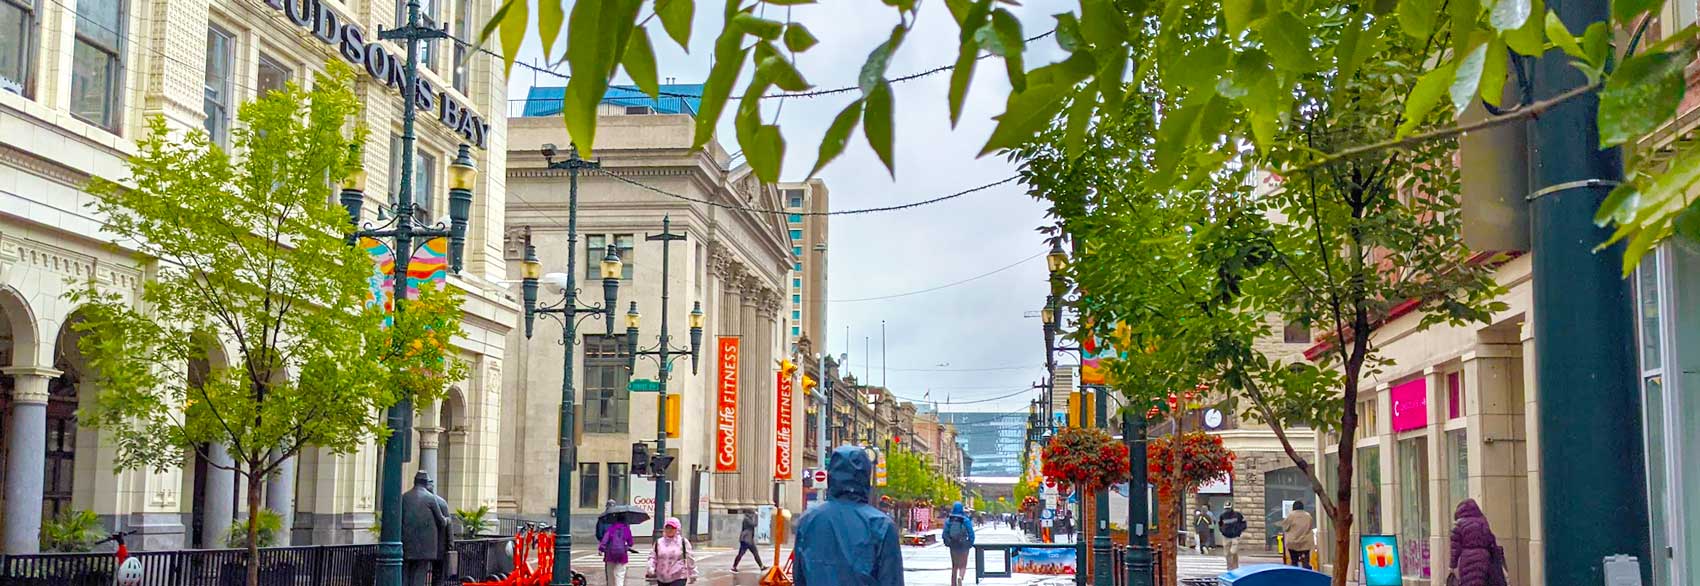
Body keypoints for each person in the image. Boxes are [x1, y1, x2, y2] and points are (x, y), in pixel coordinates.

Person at [794, 445, 905, 586]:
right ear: (865, 476)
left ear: (831, 476)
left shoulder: (808, 520)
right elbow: (891, 579)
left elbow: (799, 576)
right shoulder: (881, 524)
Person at [1449, 499, 1508, 586]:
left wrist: (1452, 566)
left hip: (1467, 558)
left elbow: (1455, 548)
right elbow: (1490, 540)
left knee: (1469, 581)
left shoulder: (1459, 525)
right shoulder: (1483, 522)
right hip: (1484, 558)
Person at [647, 518, 697, 586]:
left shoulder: (683, 542)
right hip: (662, 577)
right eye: (667, 528)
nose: (670, 530)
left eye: (673, 528)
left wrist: (693, 573)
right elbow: (653, 557)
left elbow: (690, 559)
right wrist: (651, 567)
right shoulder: (659, 542)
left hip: (679, 576)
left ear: (677, 529)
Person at [943, 502, 977, 586]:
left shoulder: (949, 520)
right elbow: (971, 533)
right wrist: (970, 543)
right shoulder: (965, 520)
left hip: (953, 545)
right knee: (963, 565)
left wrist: (948, 543)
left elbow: (945, 534)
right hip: (964, 545)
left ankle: (953, 583)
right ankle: (960, 577)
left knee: (954, 566)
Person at [599, 514, 634, 586]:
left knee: (611, 575)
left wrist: (601, 549)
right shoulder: (626, 529)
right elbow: (631, 543)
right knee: (620, 575)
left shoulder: (611, 528)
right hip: (622, 556)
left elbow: (605, 540)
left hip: (610, 555)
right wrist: (626, 546)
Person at [1280, 501, 1315, 570]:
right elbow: (1310, 527)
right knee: (1306, 563)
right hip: (1305, 543)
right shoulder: (1308, 516)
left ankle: (1295, 573)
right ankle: (1307, 573)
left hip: (1293, 543)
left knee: (1294, 562)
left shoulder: (1291, 515)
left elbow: (1285, 527)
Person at [1218, 504, 1248, 570]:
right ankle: (1230, 567)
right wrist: (1223, 531)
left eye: (1228, 508)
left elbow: (1244, 523)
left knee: (1233, 551)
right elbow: (1220, 525)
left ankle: (1234, 566)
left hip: (1235, 536)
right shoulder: (1222, 516)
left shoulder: (1238, 515)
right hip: (1226, 537)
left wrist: (1239, 530)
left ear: (1231, 508)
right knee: (1227, 553)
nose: (1227, 510)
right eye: (1226, 508)